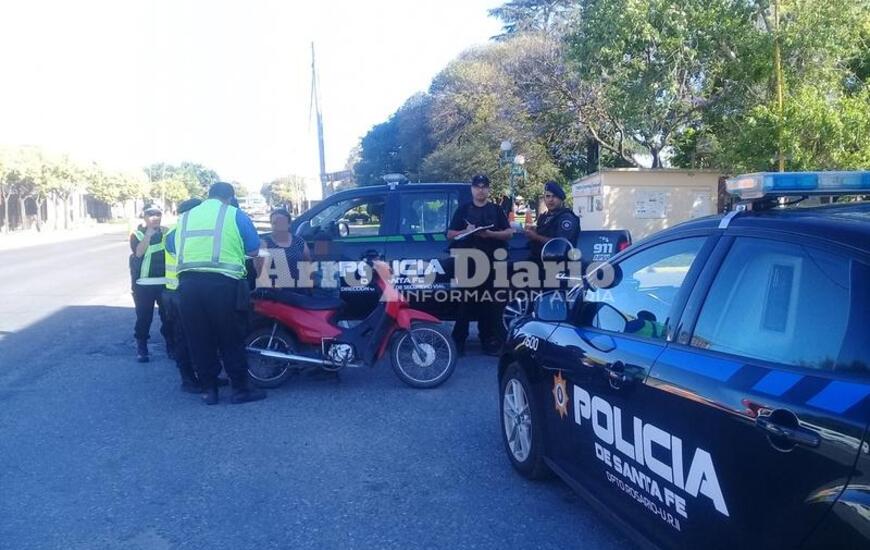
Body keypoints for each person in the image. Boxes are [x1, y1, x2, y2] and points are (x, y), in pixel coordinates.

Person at [165, 182, 266, 405]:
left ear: (208, 196)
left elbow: (170, 245)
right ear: (229, 198)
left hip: (189, 286)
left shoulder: (186, 217)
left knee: (199, 338)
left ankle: (208, 390)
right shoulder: (234, 214)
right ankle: (240, 389)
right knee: (230, 337)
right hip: (223, 285)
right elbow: (253, 249)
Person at [447, 174, 513, 356]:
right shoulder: (463, 210)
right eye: (477, 186)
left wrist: (491, 234)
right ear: (472, 189)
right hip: (468, 261)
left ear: (488, 189)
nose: (481, 190)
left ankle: (488, 341)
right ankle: (458, 342)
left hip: (492, 262)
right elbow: (450, 234)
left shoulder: (496, 210)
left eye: (484, 186)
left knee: (489, 304)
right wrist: (465, 231)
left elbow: (509, 233)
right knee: (465, 304)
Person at [163, 198, 203, 393]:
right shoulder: (177, 233)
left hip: (184, 291)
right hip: (178, 292)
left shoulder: (182, 231)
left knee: (195, 336)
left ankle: (201, 376)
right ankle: (188, 380)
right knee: (184, 338)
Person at [129, 205, 170, 362]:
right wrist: (148, 235)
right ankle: (142, 346)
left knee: (168, 317)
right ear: (144, 216)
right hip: (143, 284)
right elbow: (138, 252)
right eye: (150, 214)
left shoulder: (167, 232)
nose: (154, 217)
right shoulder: (137, 234)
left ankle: (170, 344)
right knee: (144, 317)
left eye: (158, 214)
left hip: (165, 282)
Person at [524, 181, 580, 285]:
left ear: (561, 199)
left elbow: (560, 244)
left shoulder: (566, 218)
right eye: (548, 196)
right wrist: (534, 230)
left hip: (558, 267)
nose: (550, 200)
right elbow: (544, 233)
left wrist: (536, 237)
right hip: (539, 265)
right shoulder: (545, 216)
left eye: (554, 196)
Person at [256, 208, 311, 290]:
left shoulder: (299, 242)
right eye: (274, 223)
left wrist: (308, 286)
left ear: (289, 224)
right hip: (276, 293)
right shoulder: (264, 244)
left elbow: (307, 264)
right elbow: (260, 271)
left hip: (299, 292)